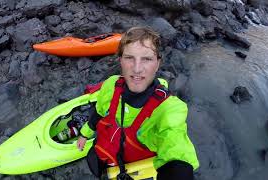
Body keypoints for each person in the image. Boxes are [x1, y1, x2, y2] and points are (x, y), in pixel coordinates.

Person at [77, 27, 199, 180]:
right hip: (102, 155)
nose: (137, 68)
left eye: (147, 59)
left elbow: (176, 148)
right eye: (129, 58)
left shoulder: (169, 109)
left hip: (131, 169)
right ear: (120, 60)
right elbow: (99, 113)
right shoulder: (110, 85)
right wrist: (84, 134)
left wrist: (179, 171)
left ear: (157, 64)